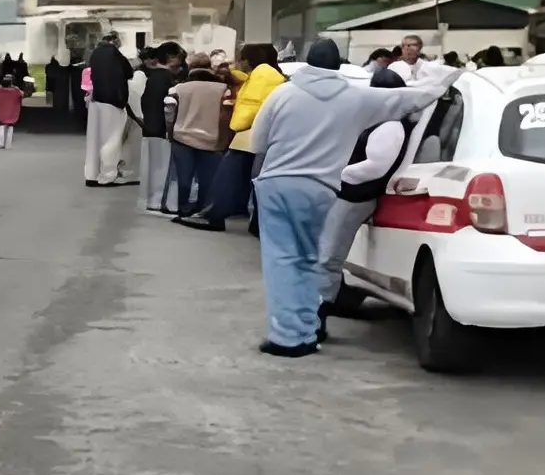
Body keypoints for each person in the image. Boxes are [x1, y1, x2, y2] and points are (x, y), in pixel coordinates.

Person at [248, 38, 449, 357]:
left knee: (282, 262)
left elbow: (258, 142)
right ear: (338, 66)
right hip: (323, 190)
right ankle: (306, 330)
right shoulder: (354, 98)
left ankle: (288, 338)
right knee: (308, 261)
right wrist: (445, 78)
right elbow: (407, 99)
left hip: (279, 186)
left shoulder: (283, 93)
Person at [316, 66, 410, 339]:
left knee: (328, 258)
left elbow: (376, 166)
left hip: (355, 196)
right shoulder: (384, 119)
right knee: (327, 256)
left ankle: (316, 319)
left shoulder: (390, 125)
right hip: (351, 194)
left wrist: (342, 173)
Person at [179, 43, 285, 233]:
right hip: (259, 137)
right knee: (254, 183)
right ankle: (254, 224)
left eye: (240, 59)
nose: (237, 63)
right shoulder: (269, 74)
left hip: (247, 137)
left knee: (226, 179)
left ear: (247, 60)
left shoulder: (263, 74)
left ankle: (214, 216)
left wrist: (236, 124)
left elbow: (252, 104)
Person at [165, 56, 231, 216]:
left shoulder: (178, 89)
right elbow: (225, 116)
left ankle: (182, 208)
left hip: (182, 137)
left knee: (184, 177)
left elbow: (169, 113)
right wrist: (224, 139)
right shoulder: (223, 89)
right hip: (212, 140)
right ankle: (202, 210)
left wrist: (170, 132)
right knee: (208, 180)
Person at [84, 34, 137, 186]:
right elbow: (128, 72)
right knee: (111, 138)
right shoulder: (115, 54)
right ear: (114, 41)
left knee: (94, 139)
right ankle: (107, 175)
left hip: (96, 100)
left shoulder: (95, 54)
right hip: (112, 100)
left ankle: (92, 175)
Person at [134, 48, 175, 212]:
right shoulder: (165, 78)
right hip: (161, 129)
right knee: (161, 167)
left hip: (149, 127)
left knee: (149, 167)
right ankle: (159, 201)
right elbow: (167, 106)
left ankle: (149, 201)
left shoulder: (150, 78)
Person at [0, 73, 23, 149]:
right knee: (10, 126)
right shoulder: (16, 90)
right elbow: (21, 95)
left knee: (1, 126)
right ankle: (8, 144)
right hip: (12, 111)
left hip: (1, 110)